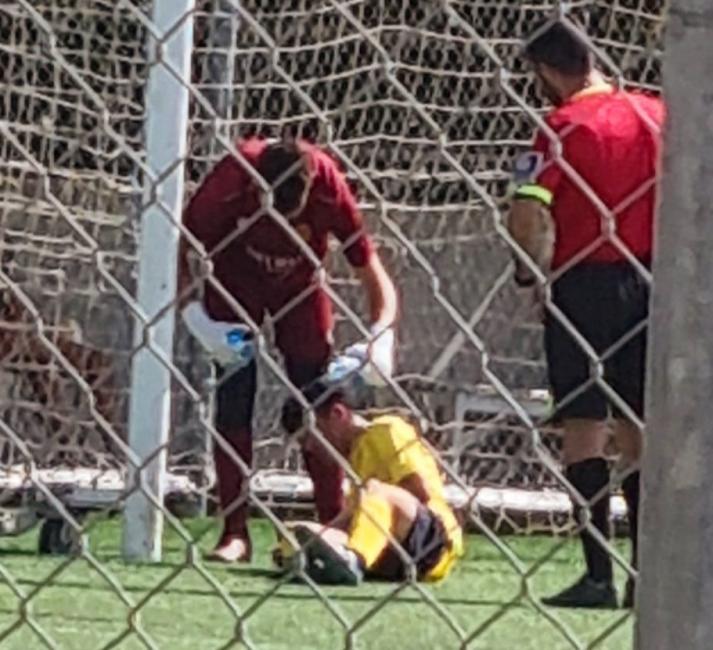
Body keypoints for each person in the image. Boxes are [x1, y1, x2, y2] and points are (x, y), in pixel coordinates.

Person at [179, 135, 398, 563]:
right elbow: (181, 244)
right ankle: (234, 532)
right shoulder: (230, 179)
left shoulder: (330, 187)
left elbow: (374, 274)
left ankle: (333, 523)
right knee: (234, 392)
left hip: (300, 287)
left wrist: (382, 334)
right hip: (235, 278)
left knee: (318, 396)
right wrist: (195, 318)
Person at [508, 21, 664, 608]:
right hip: (651, 280)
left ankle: (598, 573)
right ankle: (646, 574)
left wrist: (530, 271)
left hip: (584, 283)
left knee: (583, 427)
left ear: (546, 71)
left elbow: (527, 208)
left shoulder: (562, 126)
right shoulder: (656, 115)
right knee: (640, 428)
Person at [274, 379, 463, 585]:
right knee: (300, 530)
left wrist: (370, 503)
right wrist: (314, 534)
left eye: (311, 435)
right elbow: (358, 515)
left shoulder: (386, 429)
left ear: (337, 414)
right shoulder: (355, 457)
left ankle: (354, 559)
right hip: (391, 550)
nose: (310, 448)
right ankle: (321, 557)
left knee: (374, 489)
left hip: (432, 540)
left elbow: (420, 492)